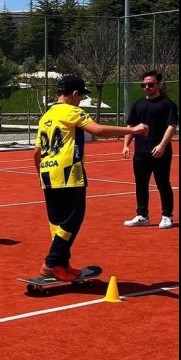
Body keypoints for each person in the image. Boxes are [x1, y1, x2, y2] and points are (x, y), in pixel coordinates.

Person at [34, 76, 147, 280]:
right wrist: (133, 130)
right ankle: (51, 263)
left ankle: (62, 264)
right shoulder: (72, 111)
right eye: (81, 96)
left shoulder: (46, 116)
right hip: (69, 173)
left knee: (58, 222)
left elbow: (36, 152)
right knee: (73, 219)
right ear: (74, 94)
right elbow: (97, 130)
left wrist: (41, 174)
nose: (81, 100)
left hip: (47, 173)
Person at [123, 70, 179, 229]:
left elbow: (172, 126)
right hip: (140, 152)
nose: (147, 87)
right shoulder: (138, 104)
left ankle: (167, 216)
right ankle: (142, 216)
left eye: (150, 84)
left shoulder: (168, 104)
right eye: (144, 85)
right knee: (141, 184)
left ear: (159, 85)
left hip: (160, 152)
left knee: (163, 184)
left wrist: (162, 145)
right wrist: (126, 145)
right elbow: (131, 126)